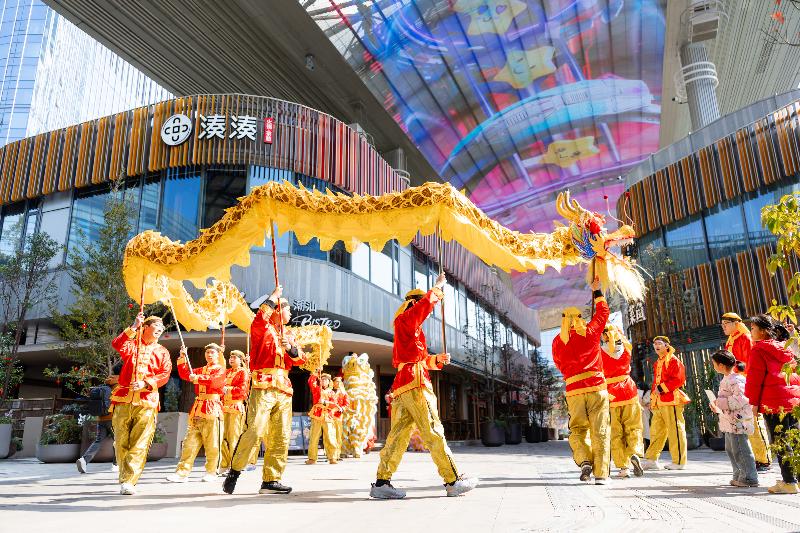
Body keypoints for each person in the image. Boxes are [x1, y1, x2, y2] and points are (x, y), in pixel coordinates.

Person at [370, 274, 478, 499]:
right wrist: (436, 289)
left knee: (398, 436)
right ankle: (452, 480)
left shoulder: (408, 327)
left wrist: (436, 360)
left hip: (404, 382)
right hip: (415, 382)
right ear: (413, 303)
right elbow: (421, 310)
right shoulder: (407, 319)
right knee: (433, 430)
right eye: (420, 304)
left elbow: (418, 359)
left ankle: (381, 482)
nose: (425, 311)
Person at [223, 285, 305, 495]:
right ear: (278, 310)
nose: (291, 313)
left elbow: (300, 359)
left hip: (284, 389)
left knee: (281, 435)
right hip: (263, 385)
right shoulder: (262, 328)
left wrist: (290, 348)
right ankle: (235, 471)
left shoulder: (289, 334)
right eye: (288, 309)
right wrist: (273, 297)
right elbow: (259, 318)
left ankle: (271, 480)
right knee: (255, 429)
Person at [552, 278, 610, 484]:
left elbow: (559, 364)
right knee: (600, 430)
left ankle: (584, 459)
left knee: (577, 430)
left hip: (574, 391)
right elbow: (603, 313)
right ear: (579, 318)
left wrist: (571, 373)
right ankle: (601, 474)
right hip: (596, 388)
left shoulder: (557, 341)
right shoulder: (591, 332)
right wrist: (597, 291)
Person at [110, 314, 173, 495]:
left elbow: (165, 374)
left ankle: (129, 480)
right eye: (156, 325)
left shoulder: (163, 351)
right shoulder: (133, 345)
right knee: (120, 441)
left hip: (147, 401)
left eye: (162, 327)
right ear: (146, 327)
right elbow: (117, 344)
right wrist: (134, 326)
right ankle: (125, 476)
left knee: (140, 442)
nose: (160, 328)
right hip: (123, 398)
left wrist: (146, 383)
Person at [744, 314, 800, 494]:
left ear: (763, 331)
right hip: (793, 399)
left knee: (781, 441)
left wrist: (753, 403)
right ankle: (797, 479)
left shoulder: (759, 349)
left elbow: (755, 379)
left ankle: (789, 482)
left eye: (753, 328)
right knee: (795, 439)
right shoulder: (785, 347)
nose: (751, 332)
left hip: (773, 402)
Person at [167, 343, 226, 483]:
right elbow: (185, 374)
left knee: (212, 444)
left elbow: (215, 382)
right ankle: (182, 473)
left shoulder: (221, 369)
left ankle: (212, 472)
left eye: (212, 352)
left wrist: (198, 378)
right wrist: (182, 357)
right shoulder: (201, 370)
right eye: (207, 352)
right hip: (198, 408)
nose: (209, 355)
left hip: (212, 408)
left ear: (218, 354)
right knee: (189, 443)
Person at [722, 312, 772, 472]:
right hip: (736, 384)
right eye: (722, 324)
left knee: (754, 421)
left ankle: (764, 459)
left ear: (736, 323)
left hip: (747, 383)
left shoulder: (745, 337)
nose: (723, 326)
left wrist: (737, 371)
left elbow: (750, 363)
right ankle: (755, 458)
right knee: (745, 423)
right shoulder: (731, 339)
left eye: (726, 323)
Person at [708, 350, 758, 488]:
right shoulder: (728, 379)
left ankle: (749, 477)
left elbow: (742, 399)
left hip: (738, 421)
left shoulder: (736, 379)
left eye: (714, 363)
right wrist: (717, 406)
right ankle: (739, 475)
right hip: (730, 421)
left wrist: (719, 403)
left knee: (741, 449)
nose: (713, 366)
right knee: (731, 449)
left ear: (721, 365)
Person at [601, 324, 644, 479]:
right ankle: (635, 452)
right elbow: (623, 339)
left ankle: (623, 468)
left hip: (611, 393)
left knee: (615, 432)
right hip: (628, 390)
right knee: (634, 427)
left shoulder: (599, 352)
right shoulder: (626, 348)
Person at [642, 336, 690, 470]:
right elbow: (655, 383)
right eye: (655, 344)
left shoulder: (673, 360)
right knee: (656, 432)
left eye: (659, 343)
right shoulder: (658, 362)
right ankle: (651, 459)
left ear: (667, 346)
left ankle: (679, 462)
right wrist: (652, 399)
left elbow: (679, 379)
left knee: (675, 431)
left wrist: (662, 388)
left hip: (671, 400)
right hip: (659, 402)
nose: (656, 346)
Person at [76, 362, 123, 474]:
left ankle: (84, 460)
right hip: (114, 418)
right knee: (119, 441)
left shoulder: (107, 383)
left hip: (101, 418)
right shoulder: (120, 385)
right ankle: (116, 465)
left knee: (98, 441)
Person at [220, 350, 249, 474]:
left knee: (234, 437)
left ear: (241, 360)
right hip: (223, 407)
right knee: (221, 436)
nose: (231, 359)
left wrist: (228, 389)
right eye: (230, 357)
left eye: (234, 358)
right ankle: (224, 464)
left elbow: (243, 390)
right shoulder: (227, 372)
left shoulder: (243, 372)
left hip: (235, 407)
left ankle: (235, 466)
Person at [305, 373, 338, 464]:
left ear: (329, 382)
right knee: (314, 437)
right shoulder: (316, 389)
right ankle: (312, 458)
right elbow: (311, 381)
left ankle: (332, 457)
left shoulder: (332, 393)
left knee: (330, 437)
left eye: (325, 380)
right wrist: (315, 373)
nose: (323, 381)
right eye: (322, 379)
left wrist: (325, 402)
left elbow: (334, 405)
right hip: (317, 415)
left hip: (328, 416)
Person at [331, 376, 348, 461]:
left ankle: (337, 455)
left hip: (338, 416)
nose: (338, 383)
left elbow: (346, 404)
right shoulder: (329, 391)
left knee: (338, 435)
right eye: (337, 381)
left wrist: (342, 408)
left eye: (339, 382)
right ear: (333, 382)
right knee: (330, 435)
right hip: (329, 416)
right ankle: (330, 455)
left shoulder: (343, 393)